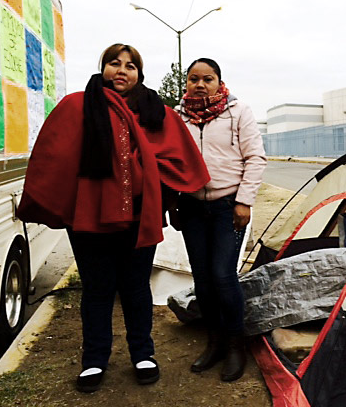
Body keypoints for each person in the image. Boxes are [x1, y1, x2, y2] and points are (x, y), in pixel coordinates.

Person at [17, 44, 209, 393]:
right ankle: (94, 360)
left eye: (131, 65)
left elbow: (178, 157)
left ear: (140, 73)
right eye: (114, 63)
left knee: (136, 288)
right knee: (97, 290)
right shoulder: (77, 105)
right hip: (88, 218)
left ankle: (143, 354)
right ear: (102, 67)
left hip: (138, 216)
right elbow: (53, 157)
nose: (122, 70)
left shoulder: (155, 111)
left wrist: (145, 169)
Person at [175, 58, 267, 382]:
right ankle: (213, 343)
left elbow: (256, 157)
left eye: (208, 79)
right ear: (186, 82)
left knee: (222, 275)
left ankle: (235, 345)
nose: (200, 85)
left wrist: (244, 201)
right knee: (202, 278)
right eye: (194, 79)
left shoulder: (238, 112)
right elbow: (168, 161)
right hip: (192, 209)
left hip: (229, 206)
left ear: (219, 82)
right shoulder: (177, 117)